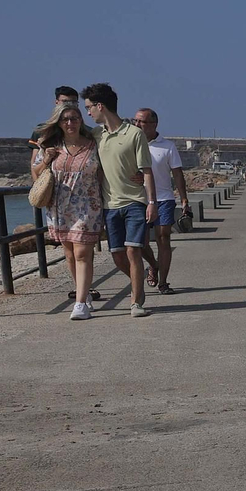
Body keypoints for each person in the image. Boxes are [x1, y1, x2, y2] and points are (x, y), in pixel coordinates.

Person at [81, 83, 154, 319]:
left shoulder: (134, 134)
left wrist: (151, 202)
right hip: (109, 205)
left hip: (134, 201)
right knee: (117, 255)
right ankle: (138, 276)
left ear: (100, 106)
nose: (88, 113)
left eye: (89, 107)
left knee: (134, 251)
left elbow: (147, 171)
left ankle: (136, 302)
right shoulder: (95, 135)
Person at [30, 104, 104, 321]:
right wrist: (46, 159)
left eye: (74, 118)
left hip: (88, 206)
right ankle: (84, 292)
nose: (70, 123)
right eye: (65, 120)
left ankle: (80, 303)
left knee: (82, 254)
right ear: (58, 123)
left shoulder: (94, 144)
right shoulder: (51, 145)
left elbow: (104, 173)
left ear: (81, 120)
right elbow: (35, 172)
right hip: (59, 207)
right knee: (70, 254)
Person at [132, 108, 187, 294]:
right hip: (139, 199)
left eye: (142, 122)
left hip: (164, 198)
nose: (137, 125)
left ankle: (163, 283)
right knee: (141, 242)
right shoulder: (131, 144)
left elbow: (177, 174)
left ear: (154, 124)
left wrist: (184, 199)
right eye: (135, 121)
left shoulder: (167, 146)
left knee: (163, 237)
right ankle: (153, 265)